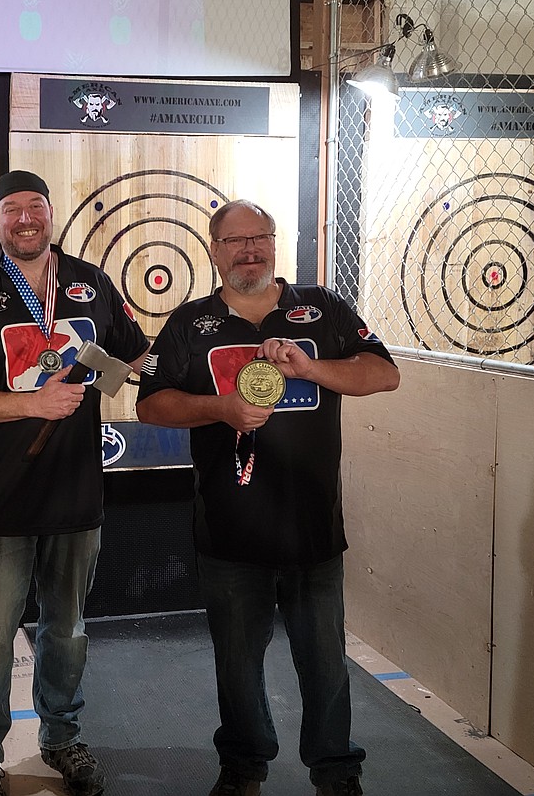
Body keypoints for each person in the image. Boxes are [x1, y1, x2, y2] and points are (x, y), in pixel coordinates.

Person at [135, 199, 400, 796]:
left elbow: (384, 374)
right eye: (235, 241)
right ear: (214, 251)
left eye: (259, 238)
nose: (249, 250)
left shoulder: (322, 309)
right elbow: (151, 403)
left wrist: (312, 369)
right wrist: (219, 409)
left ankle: (336, 771)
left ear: (275, 243)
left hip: (312, 530)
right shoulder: (188, 323)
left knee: (326, 664)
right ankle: (244, 766)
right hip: (230, 531)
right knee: (237, 665)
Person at [0, 170, 150, 796]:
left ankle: (61, 739)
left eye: (36, 207)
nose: (25, 219)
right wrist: (34, 404)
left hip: (77, 492)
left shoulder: (91, 283)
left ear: (50, 214)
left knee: (68, 630)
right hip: (1, 496)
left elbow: (133, 358)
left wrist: (176, 373)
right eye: (12, 210)